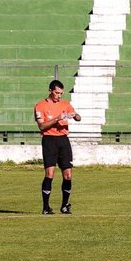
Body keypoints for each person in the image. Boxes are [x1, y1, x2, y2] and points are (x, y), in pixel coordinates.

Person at [34, 80, 81, 215]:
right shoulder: (40, 106)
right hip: (49, 140)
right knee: (50, 173)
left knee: (68, 175)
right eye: (56, 93)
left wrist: (75, 116)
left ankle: (65, 205)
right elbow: (42, 126)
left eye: (61, 93)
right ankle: (46, 207)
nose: (59, 96)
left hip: (63, 140)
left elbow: (78, 117)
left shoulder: (65, 104)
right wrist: (57, 118)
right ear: (50, 91)